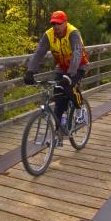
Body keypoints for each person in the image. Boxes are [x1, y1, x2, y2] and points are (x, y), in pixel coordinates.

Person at [24, 10, 89, 145]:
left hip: (78, 66)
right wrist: (30, 71)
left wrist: (70, 74)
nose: (56, 27)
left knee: (69, 87)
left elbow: (77, 54)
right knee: (59, 97)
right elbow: (39, 53)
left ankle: (80, 110)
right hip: (62, 67)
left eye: (59, 23)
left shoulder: (73, 33)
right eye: (53, 24)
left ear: (65, 22)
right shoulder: (49, 35)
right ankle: (58, 134)